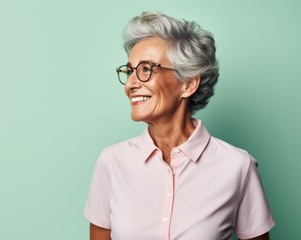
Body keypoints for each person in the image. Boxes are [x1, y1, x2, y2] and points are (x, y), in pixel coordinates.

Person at [84, 11, 275, 240]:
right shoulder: (112, 162)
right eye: (129, 71)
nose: (131, 84)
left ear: (188, 84)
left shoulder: (238, 167)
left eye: (146, 69)